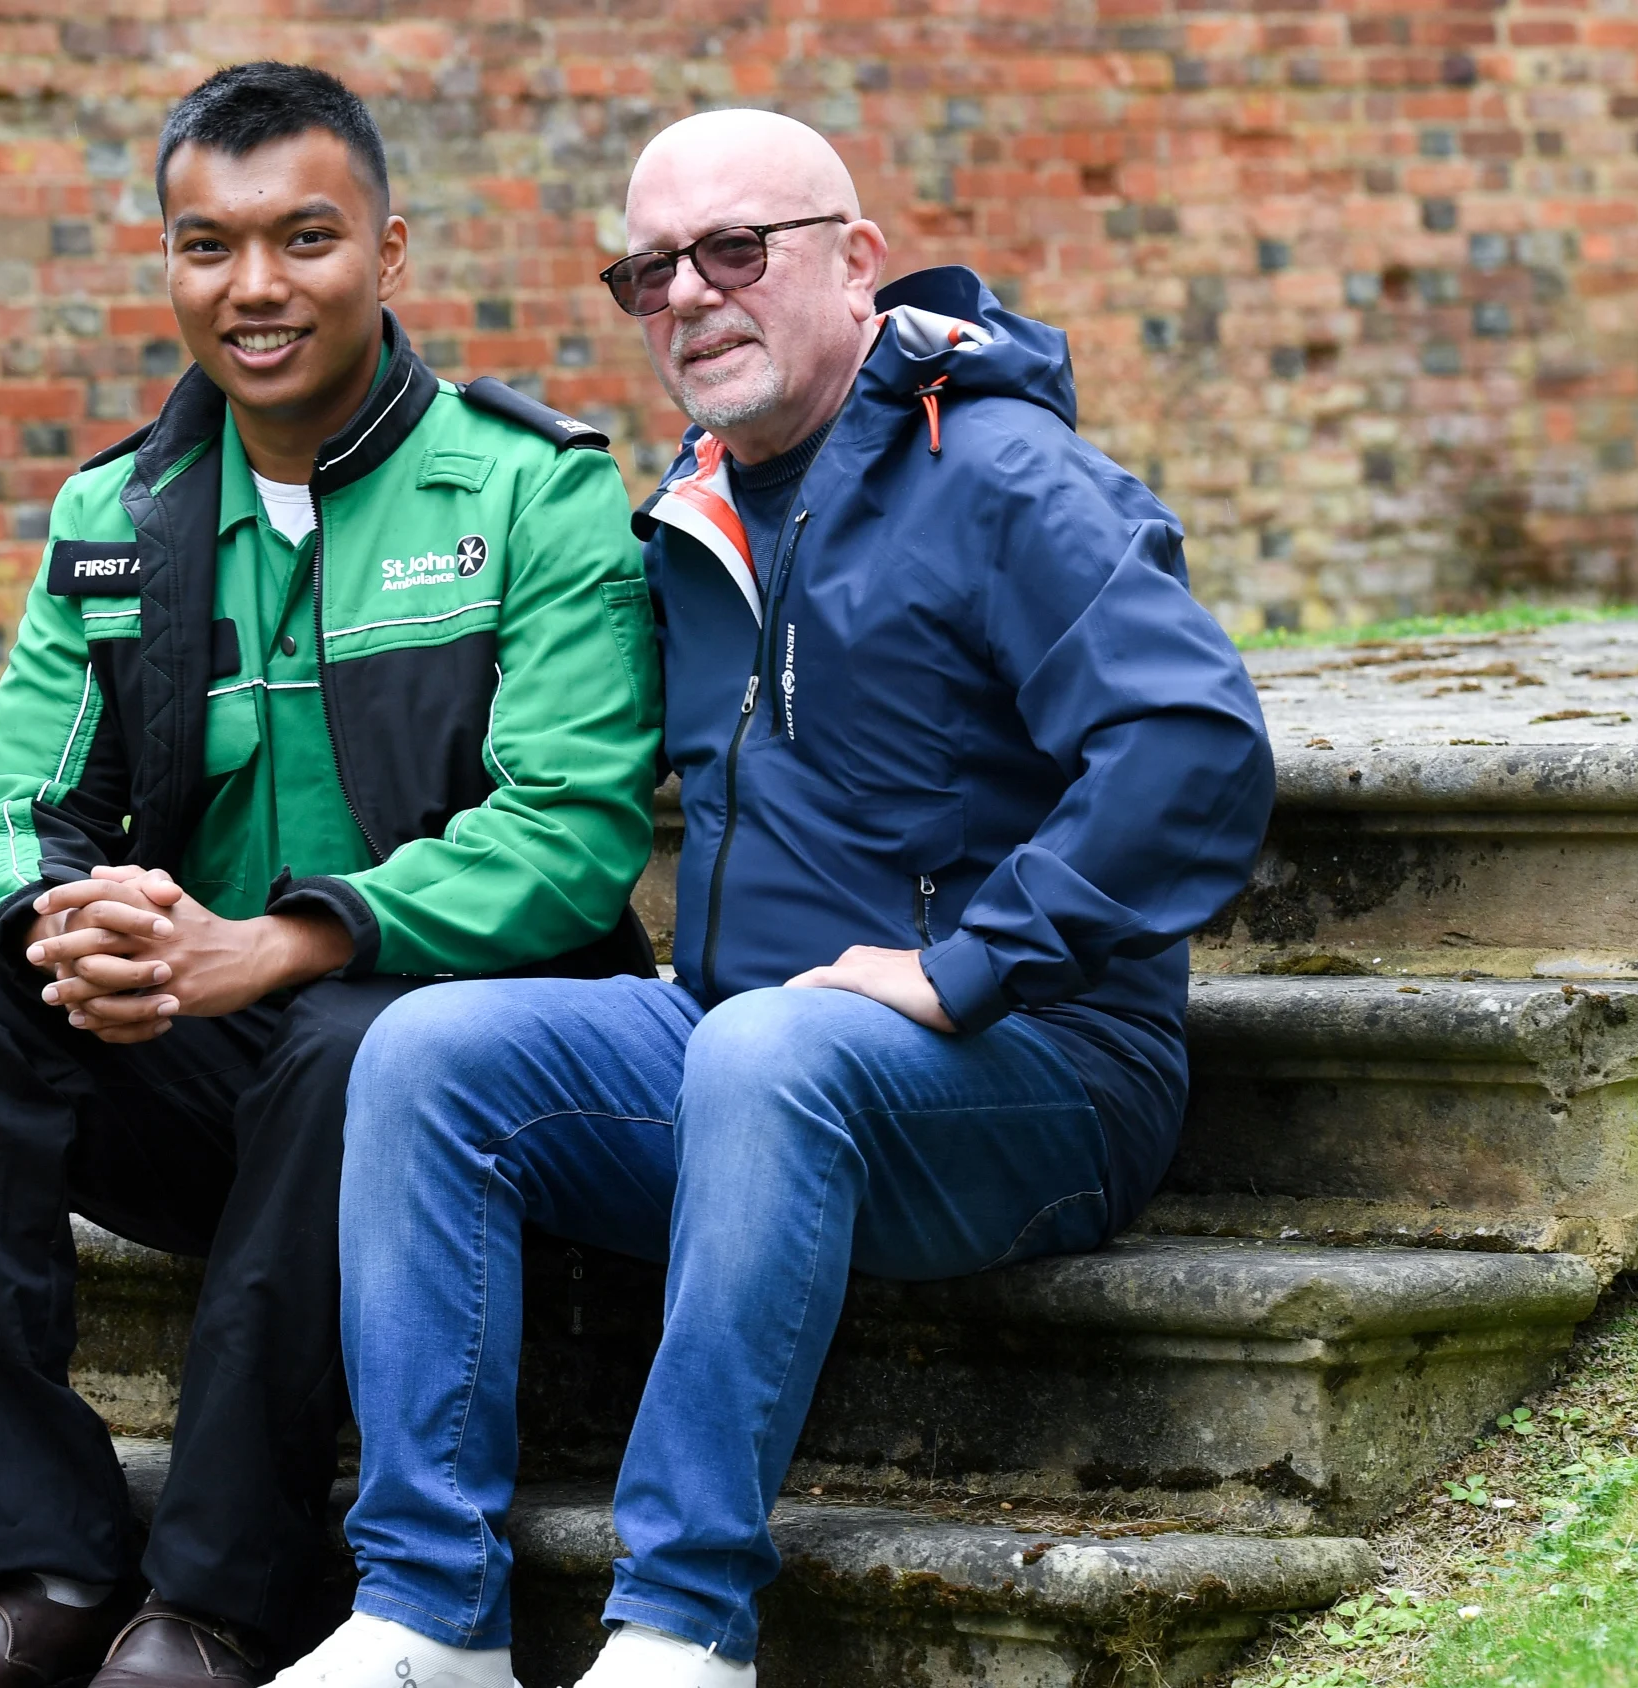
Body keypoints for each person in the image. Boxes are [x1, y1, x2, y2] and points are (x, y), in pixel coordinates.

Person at [272, 110, 1276, 1688]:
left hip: (1042, 1071)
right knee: (425, 1053)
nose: (688, 294)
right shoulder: (697, 507)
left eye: (735, 249)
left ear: (854, 258)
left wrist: (973, 963)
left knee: (763, 1054)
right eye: (649, 268)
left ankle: (679, 1624)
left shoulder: (999, 469)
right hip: (759, 1055)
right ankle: (424, 1616)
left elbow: (1197, 747)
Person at [0, 62, 666, 1688]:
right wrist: (65, 919)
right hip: (221, 1052)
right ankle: (39, 1577)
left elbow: (575, 831)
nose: (254, 289)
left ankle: (219, 1604)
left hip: (468, 1063)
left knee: (346, 1042)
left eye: (302, 240)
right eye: (204, 247)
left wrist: (291, 939)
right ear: (167, 264)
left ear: (389, 251)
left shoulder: (532, 489)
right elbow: (14, 804)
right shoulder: (114, 516)